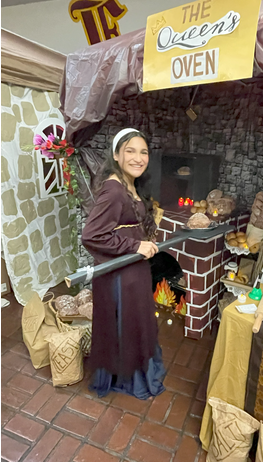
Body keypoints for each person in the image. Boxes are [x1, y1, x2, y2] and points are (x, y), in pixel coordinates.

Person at [82, 128, 165, 399]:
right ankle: (128, 378)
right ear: (117, 155)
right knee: (126, 323)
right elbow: (92, 235)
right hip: (119, 273)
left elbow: (126, 225)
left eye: (143, 152)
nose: (138, 158)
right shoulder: (114, 189)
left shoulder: (129, 184)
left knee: (136, 321)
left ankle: (133, 370)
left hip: (133, 268)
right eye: (130, 151)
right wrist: (134, 245)